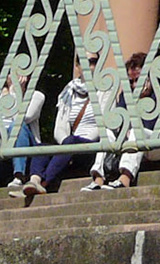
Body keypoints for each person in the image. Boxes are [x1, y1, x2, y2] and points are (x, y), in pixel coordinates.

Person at [23, 61, 106, 196]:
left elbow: (103, 124)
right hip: (69, 144)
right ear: (77, 67)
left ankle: (44, 183)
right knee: (43, 147)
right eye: (83, 61)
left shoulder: (105, 89)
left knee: (72, 141)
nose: (87, 65)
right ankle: (34, 180)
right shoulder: (68, 91)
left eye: (91, 62)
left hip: (91, 146)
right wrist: (67, 146)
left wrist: (75, 143)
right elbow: (59, 127)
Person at [83, 51, 148, 190]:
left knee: (137, 131)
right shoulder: (126, 96)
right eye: (131, 81)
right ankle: (98, 179)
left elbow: (154, 124)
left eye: (139, 80)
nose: (135, 85)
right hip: (132, 142)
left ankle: (125, 178)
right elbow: (120, 121)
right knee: (107, 132)